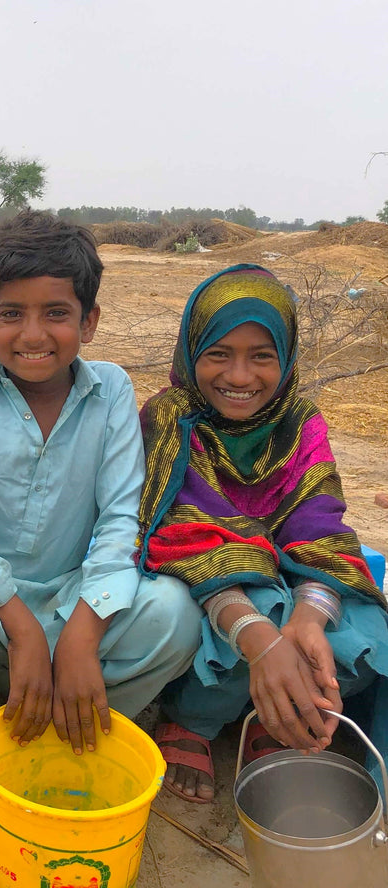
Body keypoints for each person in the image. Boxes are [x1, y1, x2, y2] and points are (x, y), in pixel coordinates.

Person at [0, 211, 202, 781]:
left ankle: (70, 704)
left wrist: (82, 631)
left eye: (56, 313)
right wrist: (22, 628)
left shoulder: (112, 393)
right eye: (12, 314)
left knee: (175, 617)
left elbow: (120, 521)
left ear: (90, 321)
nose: (33, 335)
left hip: (76, 598)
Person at [137, 263, 388, 803]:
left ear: (287, 357)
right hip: (208, 586)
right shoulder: (171, 418)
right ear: (190, 351)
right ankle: (192, 721)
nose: (241, 376)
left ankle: (279, 719)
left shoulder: (301, 422)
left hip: (287, 578)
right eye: (219, 353)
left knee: (370, 630)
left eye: (262, 356)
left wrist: (309, 615)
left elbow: (320, 523)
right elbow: (182, 533)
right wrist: (263, 629)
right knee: (257, 610)